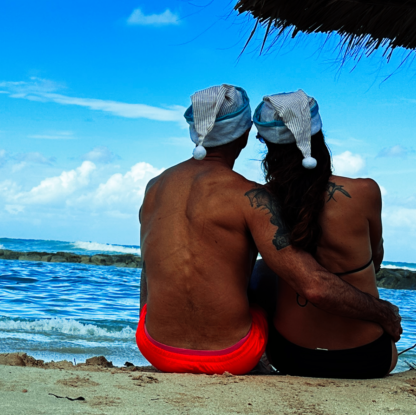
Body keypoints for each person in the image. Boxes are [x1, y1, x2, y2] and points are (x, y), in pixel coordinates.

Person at [136, 83, 402, 375]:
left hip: (154, 348)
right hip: (235, 357)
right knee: (269, 269)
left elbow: (148, 268)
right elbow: (317, 283)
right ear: (244, 134)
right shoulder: (252, 197)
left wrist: (149, 327)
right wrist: (384, 312)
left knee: (260, 270)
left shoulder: (154, 187)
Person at [250, 90, 397, 379]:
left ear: (265, 141)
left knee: (261, 269)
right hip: (368, 358)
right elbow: (376, 259)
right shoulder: (365, 191)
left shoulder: (260, 200)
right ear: (318, 133)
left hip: (290, 356)